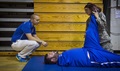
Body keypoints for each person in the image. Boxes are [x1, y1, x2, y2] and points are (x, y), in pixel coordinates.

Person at [44, 13, 120, 67]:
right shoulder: (62, 61)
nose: (51, 52)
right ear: (53, 60)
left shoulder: (62, 55)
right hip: (93, 57)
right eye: (50, 54)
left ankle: (93, 14)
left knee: (89, 32)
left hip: (88, 48)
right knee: (115, 59)